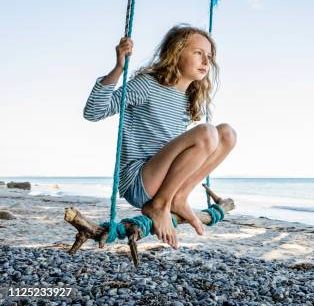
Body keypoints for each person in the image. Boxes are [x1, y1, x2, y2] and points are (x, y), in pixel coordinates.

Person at [83, 24, 237, 249]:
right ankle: (160, 205)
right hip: (139, 181)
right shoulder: (148, 84)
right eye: (197, 53)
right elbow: (93, 112)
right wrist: (118, 68)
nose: (206, 61)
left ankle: (178, 198)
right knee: (207, 132)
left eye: (209, 56)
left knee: (227, 134)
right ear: (176, 52)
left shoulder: (187, 98)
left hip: (163, 180)